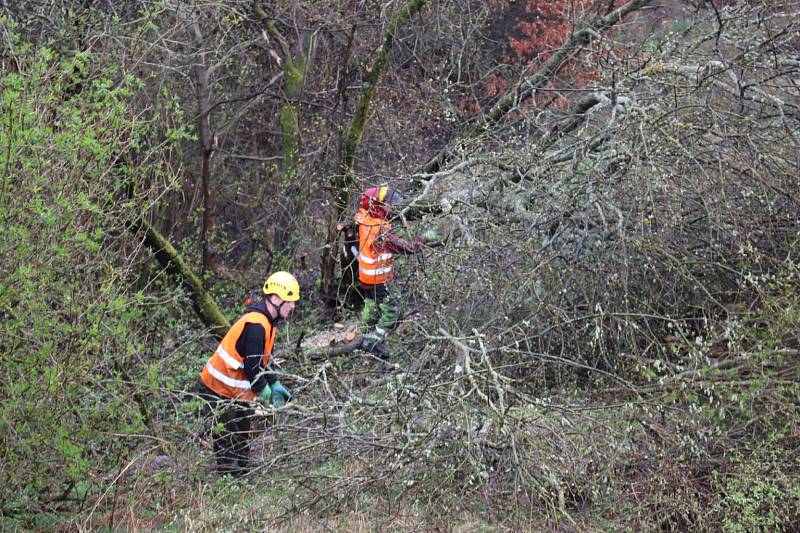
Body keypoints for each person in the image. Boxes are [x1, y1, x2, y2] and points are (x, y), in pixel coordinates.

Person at [196, 271, 299, 476]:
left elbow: (260, 361)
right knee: (226, 439)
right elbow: (252, 369)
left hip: (235, 391)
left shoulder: (268, 323)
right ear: (276, 299)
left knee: (242, 434)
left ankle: (242, 477)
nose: (293, 306)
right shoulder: (256, 325)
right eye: (290, 301)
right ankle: (227, 484)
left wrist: (274, 382)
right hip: (217, 390)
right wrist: (266, 393)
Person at [353, 186, 439, 358]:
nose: (390, 208)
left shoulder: (363, 219)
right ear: (376, 206)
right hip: (379, 278)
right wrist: (428, 236)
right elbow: (409, 248)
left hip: (366, 277)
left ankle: (362, 336)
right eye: (386, 204)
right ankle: (373, 343)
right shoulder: (381, 231)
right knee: (393, 310)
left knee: (371, 308)